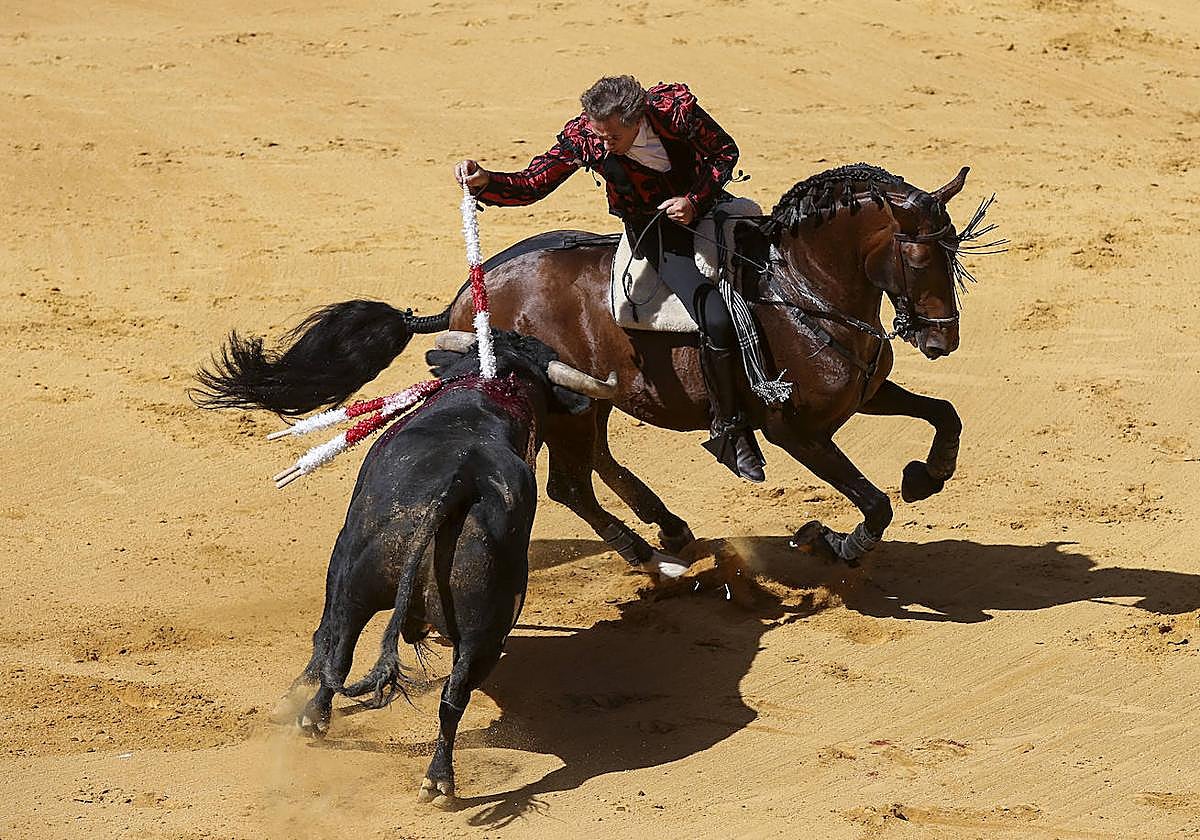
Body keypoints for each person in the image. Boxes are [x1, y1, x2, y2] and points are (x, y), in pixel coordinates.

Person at [454, 74, 765, 482]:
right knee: (717, 318)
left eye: (612, 137)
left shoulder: (675, 111)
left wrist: (694, 200)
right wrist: (487, 180)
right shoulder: (587, 137)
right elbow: (533, 183)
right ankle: (730, 429)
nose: (602, 144)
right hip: (657, 233)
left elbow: (724, 153)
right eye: (599, 134)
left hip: (710, 210)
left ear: (637, 119)